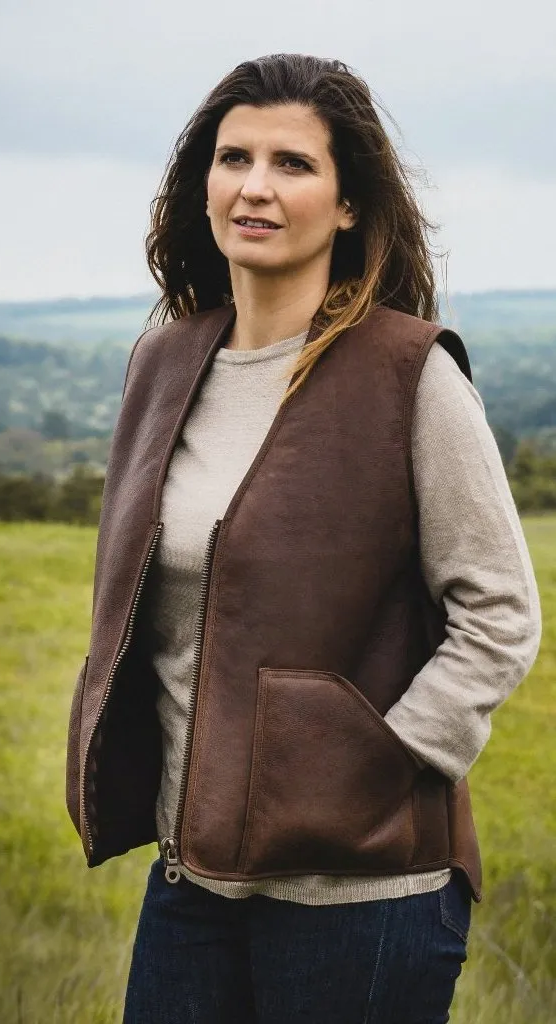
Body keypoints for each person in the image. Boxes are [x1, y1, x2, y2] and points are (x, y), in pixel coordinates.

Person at [65, 54, 542, 1023]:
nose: (253, 186)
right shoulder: (161, 364)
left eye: (291, 164)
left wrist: (378, 758)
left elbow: (497, 613)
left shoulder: (408, 376)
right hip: (189, 884)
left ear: (349, 204)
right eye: (232, 156)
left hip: (360, 901)